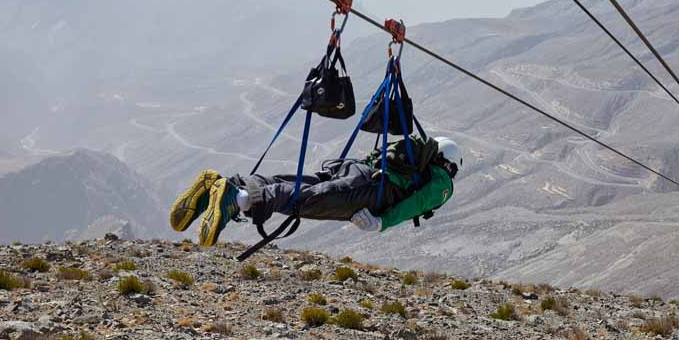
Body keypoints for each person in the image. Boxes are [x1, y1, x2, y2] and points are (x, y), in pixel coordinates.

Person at [169, 136, 461, 247]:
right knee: (303, 202)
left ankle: (223, 185)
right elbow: (418, 203)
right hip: (369, 190)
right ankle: (237, 199)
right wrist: (381, 223)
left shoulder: (415, 162)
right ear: (451, 164)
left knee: (295, 185)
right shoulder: (441, 182)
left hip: (353, 168)